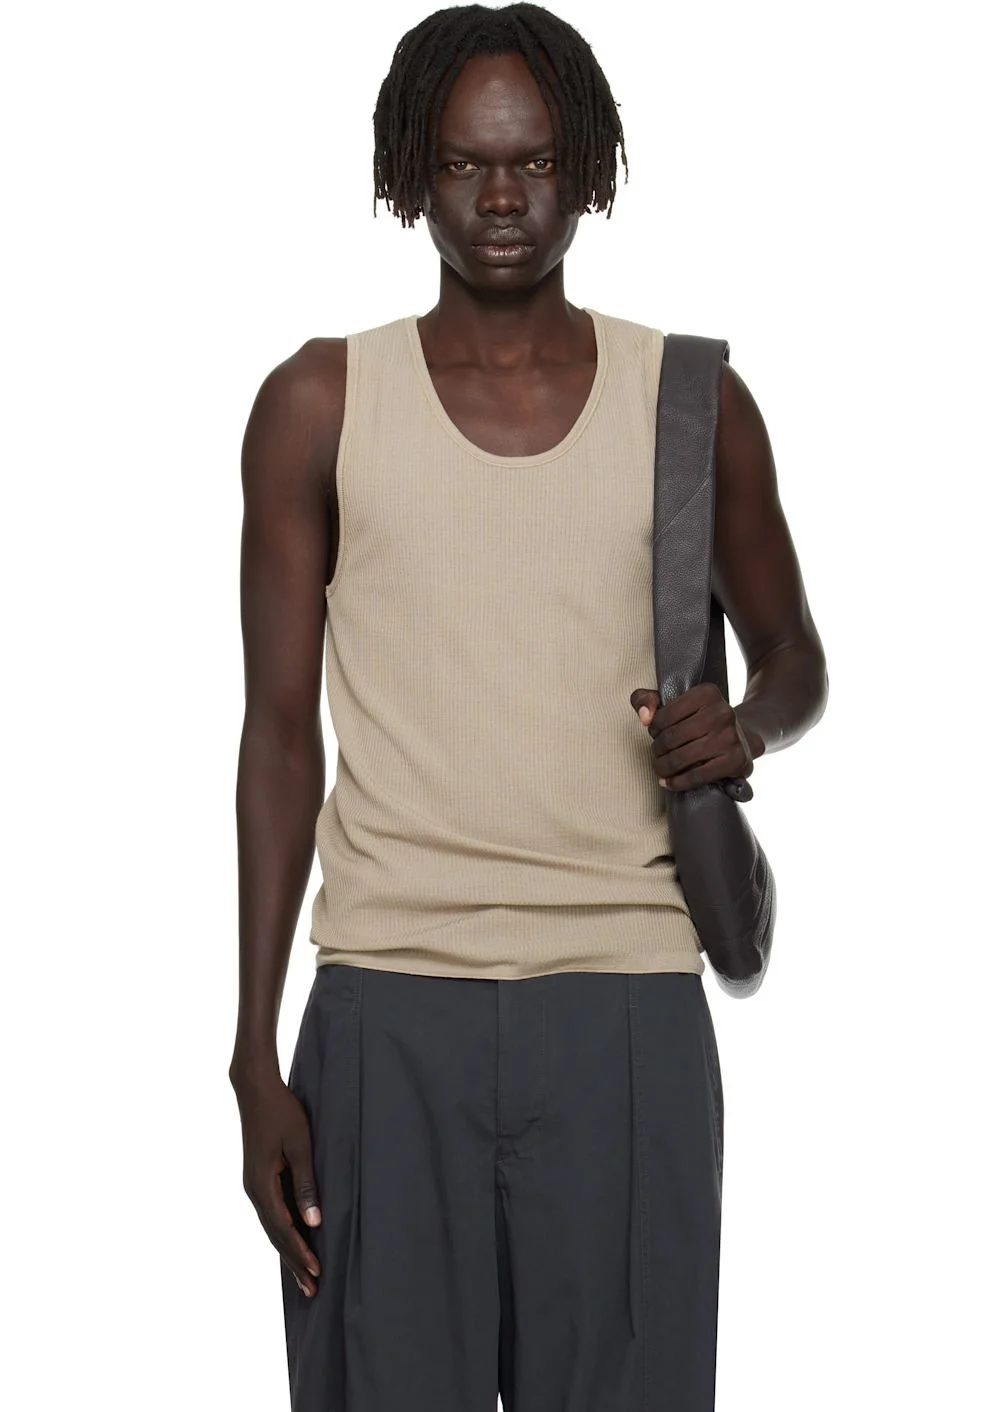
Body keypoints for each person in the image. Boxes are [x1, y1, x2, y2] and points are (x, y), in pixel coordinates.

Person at [229, 5, 828, 1410]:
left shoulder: (691, 400)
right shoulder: (319, 401)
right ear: (410, 175)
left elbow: (796, 658)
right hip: (387, 1003)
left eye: (535, 162)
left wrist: (743, 727)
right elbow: (275, 735)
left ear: (588, 171)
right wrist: (255, 1051)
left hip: (624, 1000)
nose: (501, 198)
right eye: (463, 164)